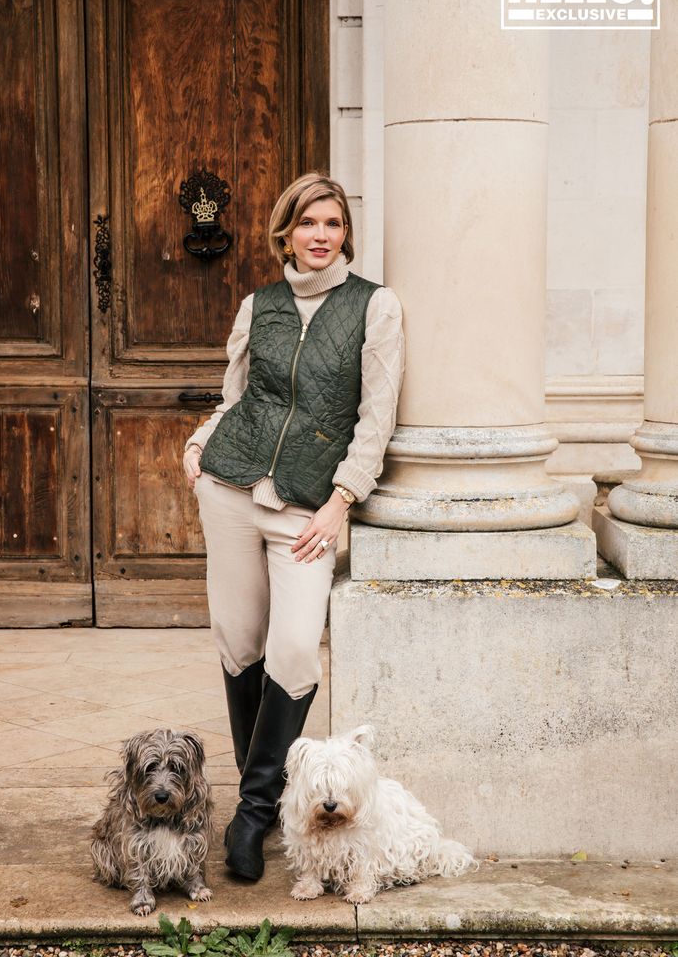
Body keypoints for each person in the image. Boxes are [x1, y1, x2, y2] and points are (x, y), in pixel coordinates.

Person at [182, 172, 405, 882]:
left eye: (332, 224)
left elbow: (376, 417)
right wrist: (197, 448)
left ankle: (251, 814)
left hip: (308, 508)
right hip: (228, 488)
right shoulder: (261, 305)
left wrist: (342, 501)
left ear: (345, 234)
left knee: (296, 650)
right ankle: (267, 805)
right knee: (240, 643)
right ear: (285, 232)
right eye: (307, 223)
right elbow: (237, 397)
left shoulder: (375, 307)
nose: (320, 236)